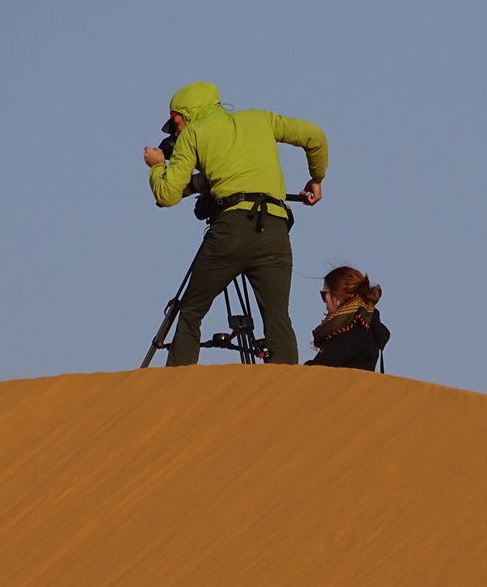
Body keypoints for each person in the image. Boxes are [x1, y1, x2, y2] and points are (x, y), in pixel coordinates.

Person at [143, 81, 327, 366]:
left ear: (188, 112)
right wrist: (316, 178)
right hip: (275, 230)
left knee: (192, 311)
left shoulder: (193, 133)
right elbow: (314, 136)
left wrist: (157, 165)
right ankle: (290, 396)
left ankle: (176, 386)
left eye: (175, 121)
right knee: (277, 318)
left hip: (230, 232)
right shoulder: (258, 118)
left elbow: (167, 195)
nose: (174, 130)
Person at [305, 266, 391, 371]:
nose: (324, 301)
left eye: (324, 294)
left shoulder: (352, 332)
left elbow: (317, 370)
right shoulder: (362, 327)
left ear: (336, 297)